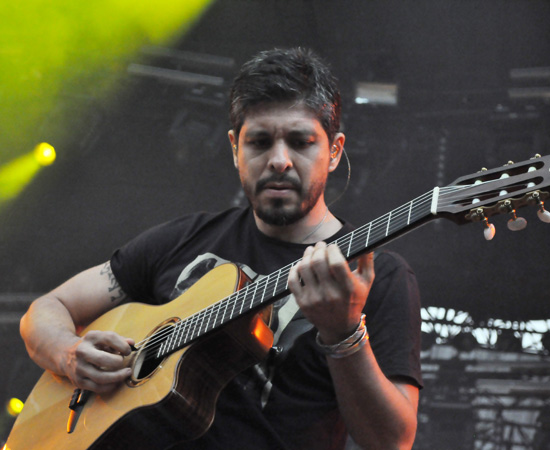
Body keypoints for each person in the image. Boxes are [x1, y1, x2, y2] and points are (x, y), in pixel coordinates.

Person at [19, 48, 422, 449]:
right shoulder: (181, 239)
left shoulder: (376, 276)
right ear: (234, 148)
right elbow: (47, 310)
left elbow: (392, 442)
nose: (279, 160)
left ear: (333, 151)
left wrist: (343, 332)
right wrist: (68, 353)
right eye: (260, 142)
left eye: (301, 142)